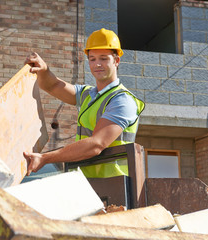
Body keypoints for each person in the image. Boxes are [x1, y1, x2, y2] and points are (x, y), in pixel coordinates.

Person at [23, 28, 145, 178]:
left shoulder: (122, 100)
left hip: (115, 184)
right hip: (87, 181)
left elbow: (96, 144)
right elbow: (52, 85)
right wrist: (44, 69)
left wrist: (45, 158)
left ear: (116, 61)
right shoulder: (88, 95)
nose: (97, 64)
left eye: (103, 58)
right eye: (92, 59)